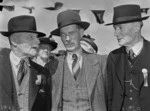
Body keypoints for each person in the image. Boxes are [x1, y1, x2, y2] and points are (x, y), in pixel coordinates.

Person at [48, 9, 107, 111]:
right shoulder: (52, 66)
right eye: (63, 34)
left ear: (81, 32)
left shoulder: (101, 62)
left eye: (71, 33)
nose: (67, 39)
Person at [0, 15, 50, 111]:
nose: (38, 41)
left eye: (36, 37)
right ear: (14, 41)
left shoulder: (43, 73)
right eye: (31, 37)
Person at [106, 4, 150, 111]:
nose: (115, 33)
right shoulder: (113, 57)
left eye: (120, 27)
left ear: (136, 27)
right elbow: (110, 96)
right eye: (115, 28)